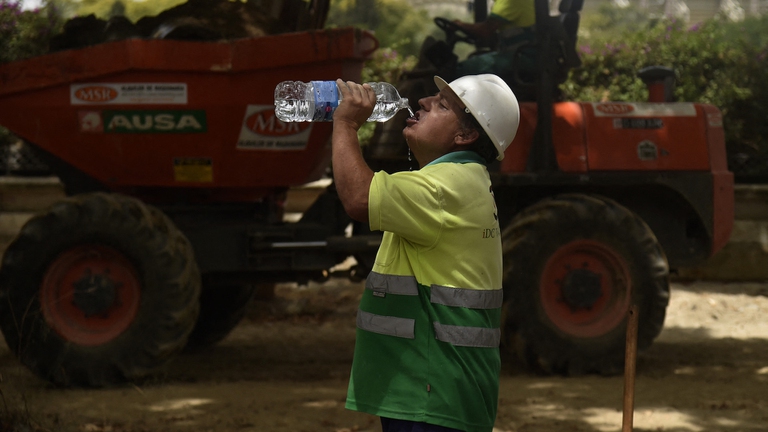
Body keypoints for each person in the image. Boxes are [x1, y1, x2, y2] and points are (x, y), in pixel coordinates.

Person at [331, 74, 520, 432]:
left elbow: (358, 197)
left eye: (442, 104)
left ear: (465, 136)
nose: (423, 103)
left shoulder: (444, 186)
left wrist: (344, 123)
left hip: (432, 390)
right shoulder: (461, 180)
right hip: (435, 386)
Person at [451, 0, 537, 79]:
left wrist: (460, 25)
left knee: (464, 68)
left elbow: (485, 30)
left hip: (522, 57)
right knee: (476, 59)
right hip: (528, 55)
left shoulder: (509, 1)